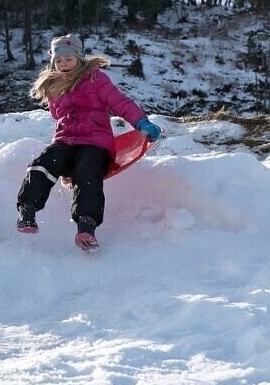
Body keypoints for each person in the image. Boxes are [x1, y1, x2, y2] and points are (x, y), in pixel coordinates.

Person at [16, 34, 161, 252]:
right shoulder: (54, 86)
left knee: (87, 172)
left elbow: (120, 103)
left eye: (68, 59)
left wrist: (141, 122)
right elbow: (57, 115)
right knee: (43, 163)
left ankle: (86, 227)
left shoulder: (96, 79)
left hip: (95, 144)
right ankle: (27, 210)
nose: (63, 64)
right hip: (65, 142)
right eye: (58, 60)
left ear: (79, 58)